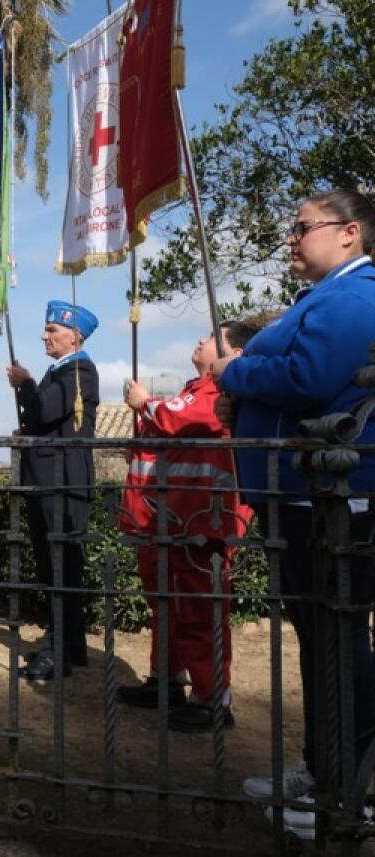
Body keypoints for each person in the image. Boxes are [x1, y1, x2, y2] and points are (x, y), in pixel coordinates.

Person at [210, 189, 375, 838]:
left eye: (302, 227)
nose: (290, 238)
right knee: (318, 643)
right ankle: (321, 769)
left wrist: (236, 372)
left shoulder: (356, 296)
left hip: (331, 503)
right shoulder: (324, 297)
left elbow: (308, 375)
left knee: (338, 643)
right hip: (297, 499)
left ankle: (349, 791)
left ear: (349, 233)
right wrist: (243, 398)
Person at [116, 321, 257, 732]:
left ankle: (213, 698)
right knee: (166, 606)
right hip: (172, 519)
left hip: (203, 522)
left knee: (199, 613)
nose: (200, 339)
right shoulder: (194, 390)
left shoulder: (222, 393)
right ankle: (167, 679)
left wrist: (145, 403)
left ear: (233, 354)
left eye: (212, 336)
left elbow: (179, 420)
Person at [6, 300, 100, 681]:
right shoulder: (62, 371)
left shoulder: (80, 371)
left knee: (62, 569)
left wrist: (26, 383)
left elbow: (46, 410)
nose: (45, 336)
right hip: (48, 480)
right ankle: (71, 646)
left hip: (62, 482)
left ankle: (58, 652)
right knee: (53, 567)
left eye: (53, 330)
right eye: (46, 329)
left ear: (75, 335)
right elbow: (48, 423)